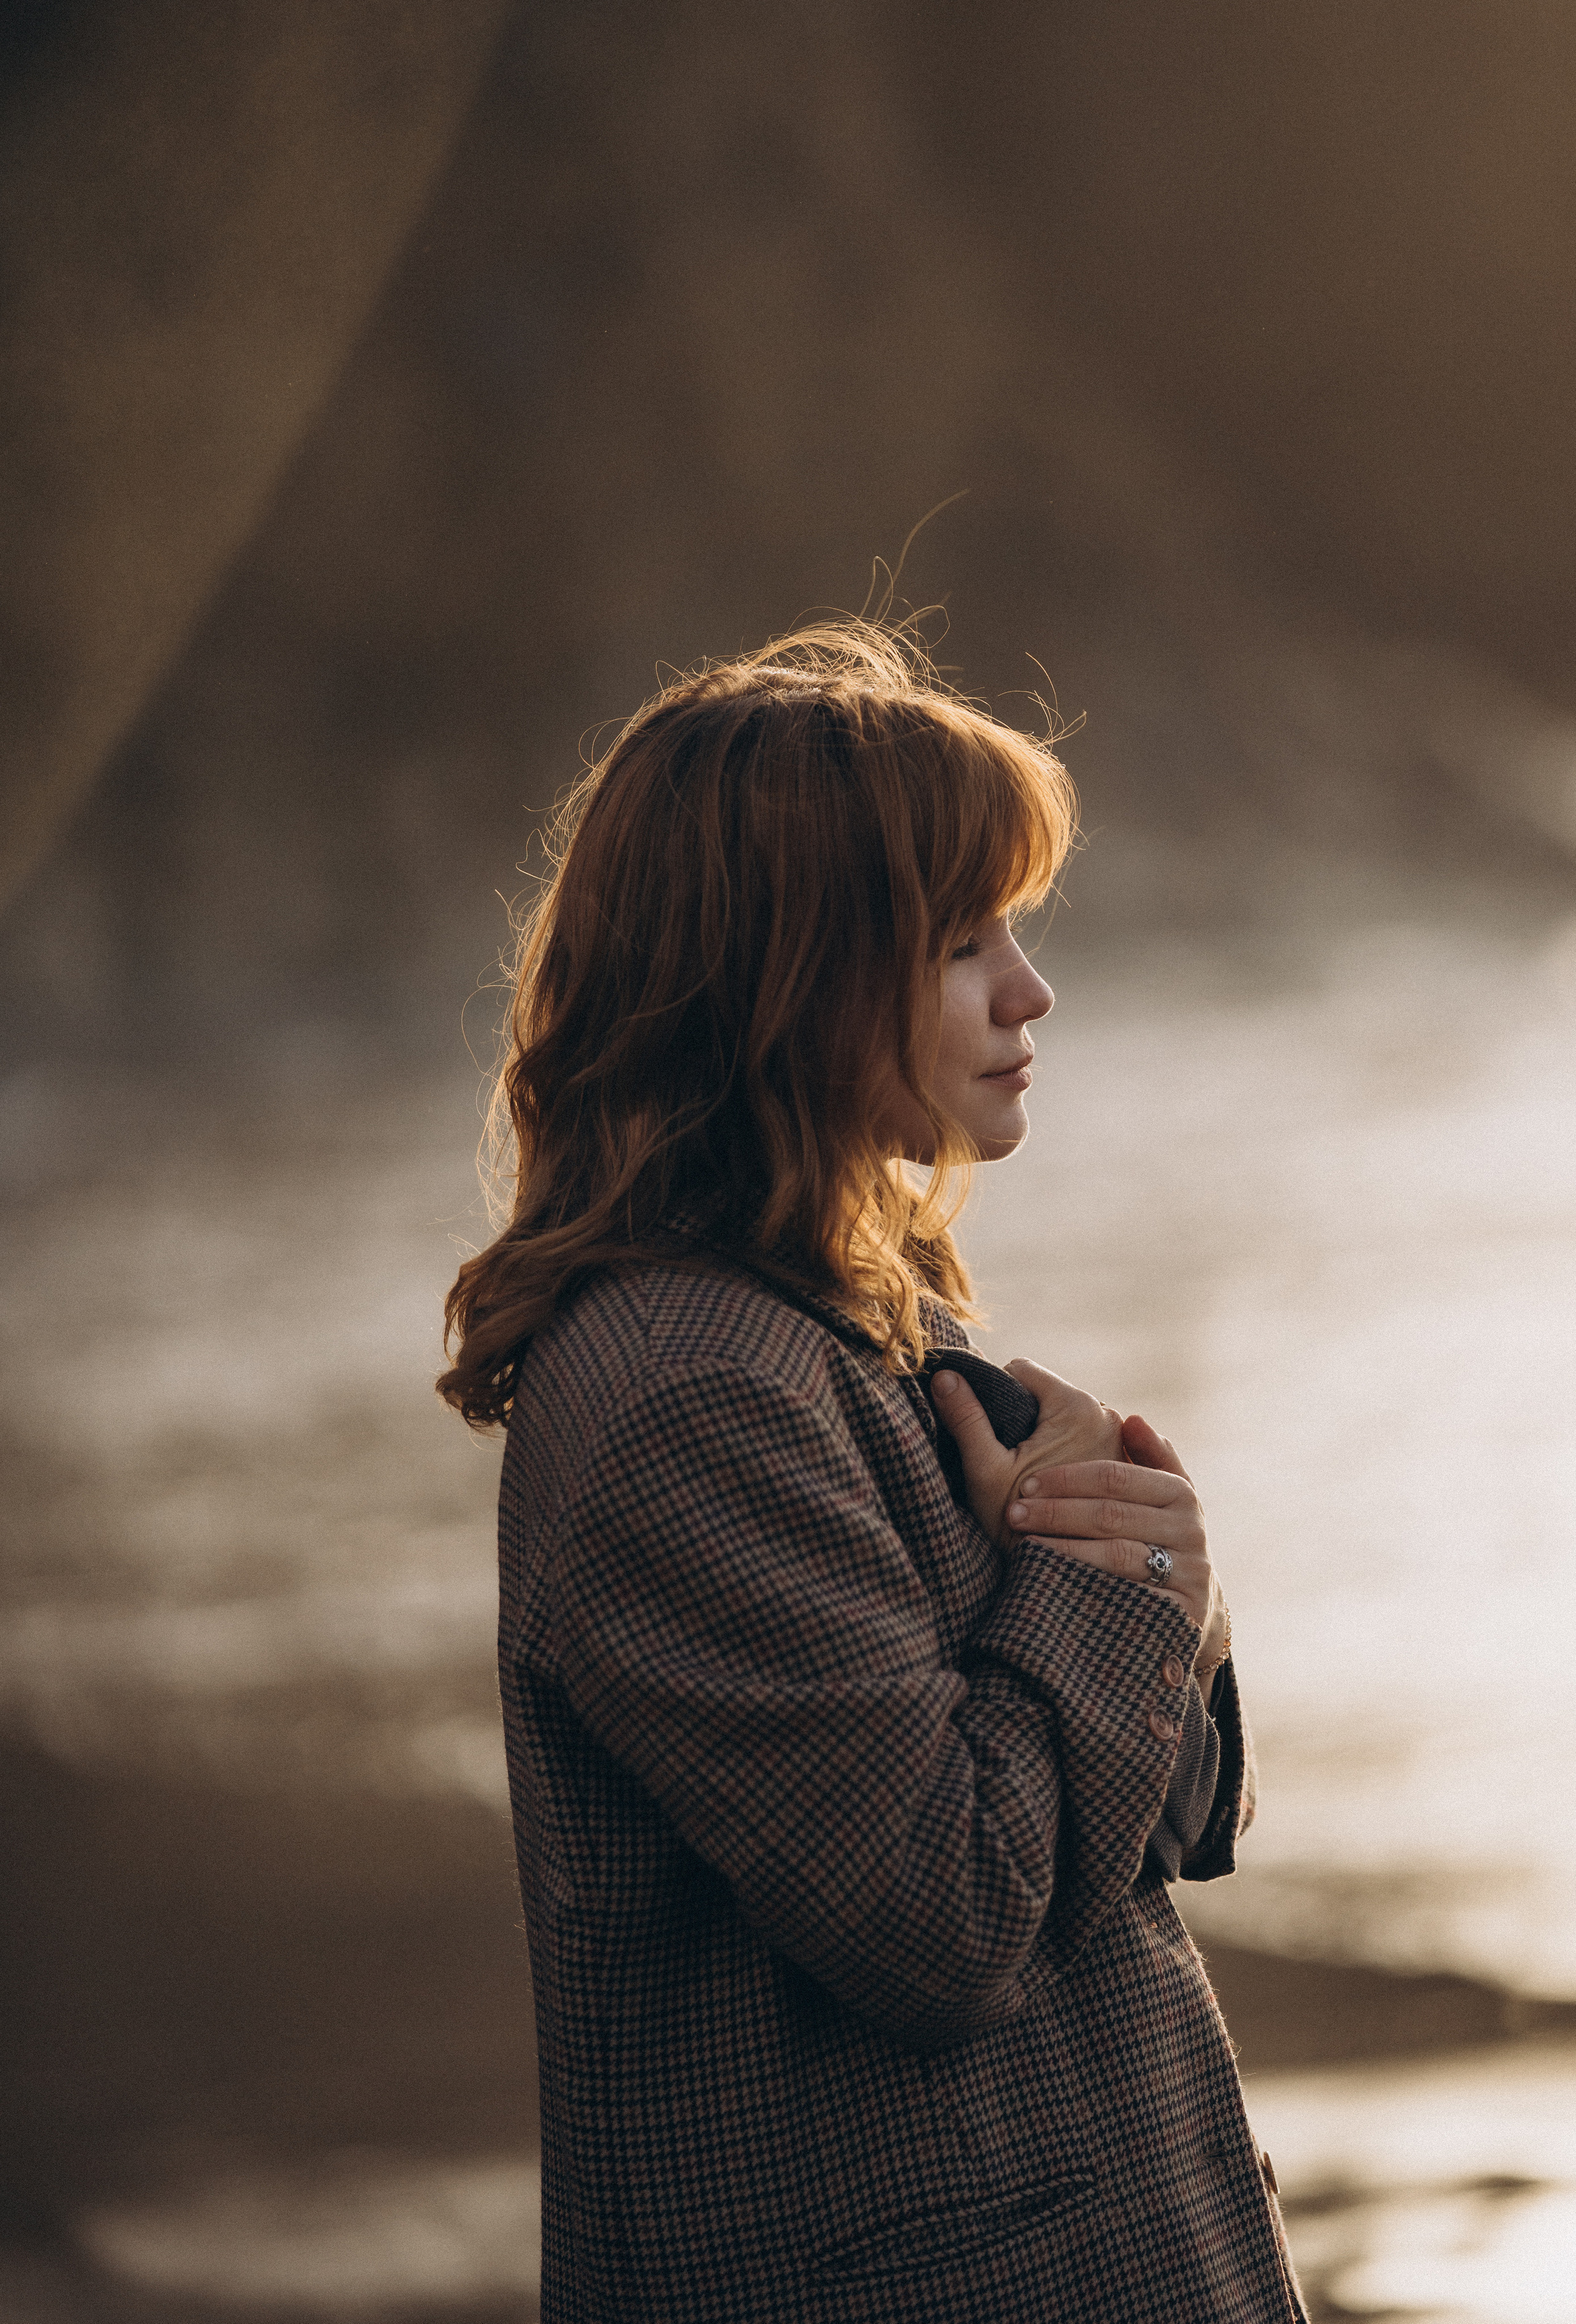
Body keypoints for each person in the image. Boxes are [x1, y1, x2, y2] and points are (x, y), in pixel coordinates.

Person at [440, 623, 1305, 2321]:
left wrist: (1168, 1592)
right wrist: (1101, 1584)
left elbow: (1152, 1823)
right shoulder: (686, 1390)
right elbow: (946, 1915)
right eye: (961, 940)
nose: (1029, 991)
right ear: (786, 974)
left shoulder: (853, 1321)